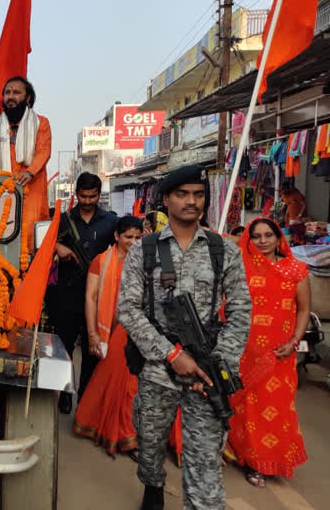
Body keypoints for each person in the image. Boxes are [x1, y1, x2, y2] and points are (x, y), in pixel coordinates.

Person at [118, 164, 252, 510]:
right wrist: (172, 355)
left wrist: (214, 365)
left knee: (206, 466)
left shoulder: (224, 251)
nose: (192, 201)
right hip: (157, 371)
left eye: (199, 195)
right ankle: (153, 484)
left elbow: (240, 311)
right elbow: (129, 310)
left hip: (207, 374)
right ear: (166, 199)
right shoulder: (145, 250)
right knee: (149, 447)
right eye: (183, 194)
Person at [227, 218, 310, 487]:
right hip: (245, 351)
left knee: (277, 408)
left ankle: (270, 457)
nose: (263, 241)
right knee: (247, 409)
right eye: (257, 236)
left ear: (278, 238)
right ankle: (252, 461)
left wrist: (295, 341)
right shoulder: (240, 269)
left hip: (280, 353)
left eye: (268, 235)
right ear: (249, 240)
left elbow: (303, 310)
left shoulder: (295, 270)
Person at [73, 216, 143, 458]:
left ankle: (127, 436)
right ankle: (106, 428)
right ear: (116, 236)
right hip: (108, 330)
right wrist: (93, 334)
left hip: (135, 330)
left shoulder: (146, 263)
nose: (133, 242)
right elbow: (90, 298)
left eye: (138, 237)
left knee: (131, 385)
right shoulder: (101, 261)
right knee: (112, 381)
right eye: (128, 237)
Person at [51, 172, 118, 412]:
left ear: (99, 195)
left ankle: (86, 397)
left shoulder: (110, 221)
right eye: (83, 196)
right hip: (67, 293)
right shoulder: (63, 220)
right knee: (65, 347)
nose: (88, 201)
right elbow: (44, 245)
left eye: (92, 196)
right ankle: (66, 391)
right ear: (76, 194)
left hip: (99, 295)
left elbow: (120, 250)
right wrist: (58, 247)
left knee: (93, 349)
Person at [0, 77, 51, 252]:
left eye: (16, 92)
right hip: (2, 193)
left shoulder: (41, 124)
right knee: (0, 241)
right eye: (7, 93)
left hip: (31, 190)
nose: (10, 97)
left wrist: (30, 173)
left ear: (28, 98)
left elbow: (44, 152)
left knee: (29, 243)